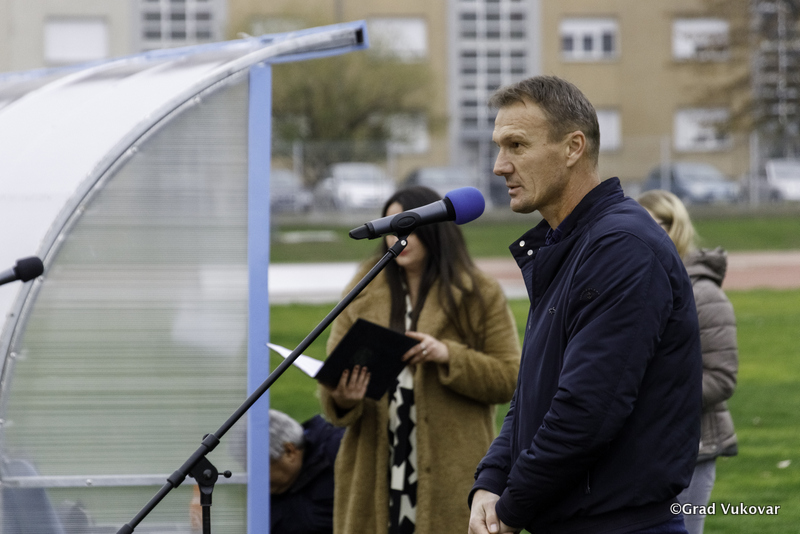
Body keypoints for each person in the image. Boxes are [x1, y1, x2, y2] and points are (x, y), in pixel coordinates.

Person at [468, 75, 703, 534]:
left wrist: (512, 508)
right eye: (499, 147)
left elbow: (587, 411)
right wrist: (491, 481)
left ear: (573, 147)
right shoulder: (567, 244)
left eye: (517, 146)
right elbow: (533, 393)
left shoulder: (620, 247)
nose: (499, 166)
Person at [319, 185, 520, 534]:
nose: (397, 236)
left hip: (453, 472)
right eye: (390, 226)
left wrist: (448, 355)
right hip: (373, 472)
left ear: (434, 228)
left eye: (407, 226)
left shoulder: (478, 292)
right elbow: (333, 376)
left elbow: (509, 378)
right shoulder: (362, 289)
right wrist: (342, 398)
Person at [637, 189, 738, 534]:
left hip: (692, 448)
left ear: (675, 227)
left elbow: (722, 377)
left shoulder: (705, 295)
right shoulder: (634, 285)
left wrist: (653, 398)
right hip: (641, 447)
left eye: (653, 225)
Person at [268, 409, 345, 534]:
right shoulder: (260, 495)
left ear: (289, 452)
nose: (254, 481)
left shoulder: (341, 451)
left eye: (260, 470)